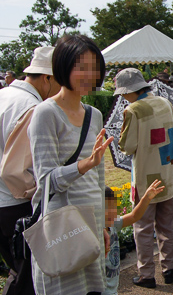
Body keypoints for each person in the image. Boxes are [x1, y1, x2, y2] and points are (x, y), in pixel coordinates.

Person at [28, 35, 113, 295]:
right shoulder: (46, 114)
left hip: (91, 222)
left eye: (94, 67)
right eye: (81, 67)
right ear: (63, 67)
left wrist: (103, 227)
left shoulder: (94, 115)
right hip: (62, 224)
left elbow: (98, 179)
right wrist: (84, 164)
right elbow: (46, 181)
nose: (90, 75)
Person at [114, 68, 173, 289]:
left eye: (123, 93)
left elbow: (127, 146)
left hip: (148, 178)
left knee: (143, 228)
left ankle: (146, 274)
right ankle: (168, 269)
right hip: (172, 171)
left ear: (129, 91)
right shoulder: (165, 102)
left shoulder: (133, 110)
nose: (123, 97)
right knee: (167, 225)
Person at [0, 46, 61, 295]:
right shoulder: (33, 108)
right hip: (15, 204)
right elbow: (16, 171)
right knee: (27, 278)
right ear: (48, 78)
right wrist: (39, 189)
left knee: (17, 270)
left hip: (3, 204)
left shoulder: (5, 94)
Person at [103, 180, 164, 295]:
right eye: (108, 209)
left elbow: (133, 216)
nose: (114, 212)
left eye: (114, 207)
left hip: (112, 289)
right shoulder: (95, 233)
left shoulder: (113, 224)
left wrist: (146, 198)